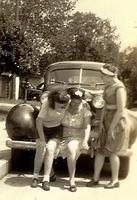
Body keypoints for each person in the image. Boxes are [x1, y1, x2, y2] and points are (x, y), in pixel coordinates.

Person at [87, 64, 127, 189]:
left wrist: (111, 128)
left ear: (111, 75)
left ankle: (115, 181)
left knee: (112, 152)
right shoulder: (108, 86)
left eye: (104, 75)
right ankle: (95, 178)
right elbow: (104, 105)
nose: (102, 77)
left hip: (116, 121)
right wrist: (102, 123)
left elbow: (120, 110)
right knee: (100, 150)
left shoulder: (119, 87)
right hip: (106, 120)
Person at [31, 89, 70, 190]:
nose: (61, 109)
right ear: (53, 102)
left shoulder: (67, 101)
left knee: (50, 149)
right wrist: (43, 140)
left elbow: (79, 101)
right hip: (42, 128)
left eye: (63, 106)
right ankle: (35, 177)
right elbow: (38, 121)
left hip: (56, 129)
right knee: (41, 148)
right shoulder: (47, 104)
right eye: (59, 106)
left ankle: (46, 179)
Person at [61, 87, 92, 192]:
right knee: (47, 146)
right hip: (62, 136)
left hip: (77, 136)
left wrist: (85, 141)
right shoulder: (64, 106)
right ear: (70, 99)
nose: (75, 104)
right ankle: (49, 174)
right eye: (73, 101)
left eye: (78, 102)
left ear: (82, 100)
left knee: (71, 148)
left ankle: (71, 180)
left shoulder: (85, 110)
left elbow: (87, 127)